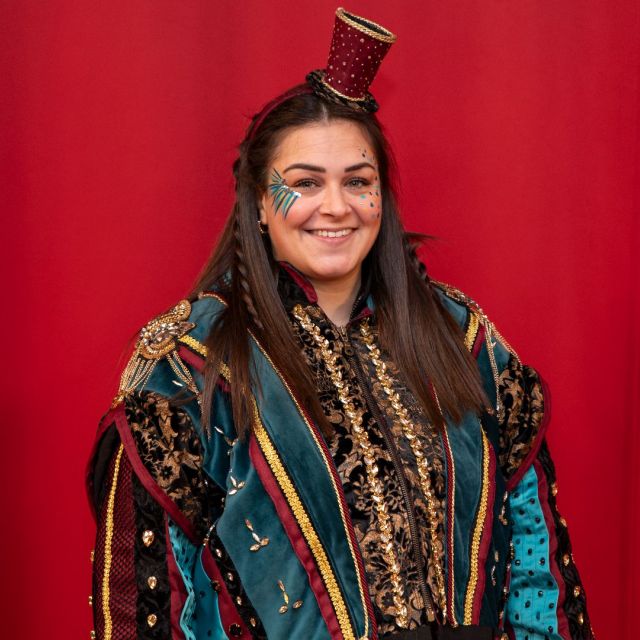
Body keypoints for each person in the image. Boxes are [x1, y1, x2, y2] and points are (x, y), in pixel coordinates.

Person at [87, 8, 594, 640]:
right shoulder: (192, 368)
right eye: (305, 183)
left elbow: (537, 575)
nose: (336, 206)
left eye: (358, 181)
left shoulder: (464, 341)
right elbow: (143, 614)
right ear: (260, 204)